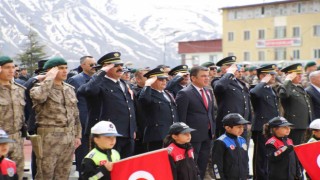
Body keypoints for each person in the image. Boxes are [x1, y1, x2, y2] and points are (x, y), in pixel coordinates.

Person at [30, 57, 82, 180]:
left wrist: (77, 135)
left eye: (65, 68)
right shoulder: (39, 88)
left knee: (63, 174)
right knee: (45, 175)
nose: (65, 71)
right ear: (50, 71)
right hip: (49, 139)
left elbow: (75, 114)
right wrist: (49, 78)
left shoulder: (69, 89)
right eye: (60, 68)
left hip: (68, 138)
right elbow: (39, 96)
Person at [80, 52, 136, 158]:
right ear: (105, 67)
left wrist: (133, 129)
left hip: (126, 134)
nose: (120, 68)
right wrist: (101, 72)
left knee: (125, 167)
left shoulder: (123, 83)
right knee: (108, 166)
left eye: (121, 65)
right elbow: (89, 90)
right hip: (107, 134)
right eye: (115, 65)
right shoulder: (98, 82)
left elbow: (130, 108)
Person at [176, 66, 215, 179]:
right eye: (203, 76)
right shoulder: (185, 93)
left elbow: (211, 114)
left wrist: (212, 129)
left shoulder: (208, 91)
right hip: (192, 136)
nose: (207, 78)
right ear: (193, 78)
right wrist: (183, 135)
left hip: (207, 135)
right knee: (192, 165)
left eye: (207, 76)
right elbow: (181, 117)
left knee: (203, 164)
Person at [66, 55, 97, 174]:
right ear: (83, 65)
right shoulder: (75, 80)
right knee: (83, 153)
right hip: (83, 122)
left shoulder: (97, 79)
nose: (94, 67)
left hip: (96, 120)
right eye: (91, 64)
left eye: (95, 64)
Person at [249, 64, 280, 180]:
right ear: (262, 75)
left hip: (271, 127)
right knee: (260, 156)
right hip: (260, 128)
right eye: (271, 75)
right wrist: (263, 81)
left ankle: (267, 175)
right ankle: (260, 177)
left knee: (269, 154)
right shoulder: (257, 88)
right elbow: (254, 92)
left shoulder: (269, 89)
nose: (273, 77)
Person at [139, 67, 179, 151]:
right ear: (151, 81)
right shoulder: (148, 93)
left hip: (171, 134)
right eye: (160, 79)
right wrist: (147, 85)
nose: (164, 81)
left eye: (165, 79)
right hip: (157, 135)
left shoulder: (167, 93)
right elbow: (144, 100)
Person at [0, 56, 26, 180]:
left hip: (16, 139)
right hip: (1, 140)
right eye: (7, 68)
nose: (11, 70)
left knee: (17, 175)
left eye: (13, 67)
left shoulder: (19, 90)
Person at [213, 56, 251, 138]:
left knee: (242, 148)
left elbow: (247, 102)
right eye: (230, 66)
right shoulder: (217, 81)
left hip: (242, 122)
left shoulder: (240, 82)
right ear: (223, 69)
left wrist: (249, 121)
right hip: (229, 124)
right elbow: (219, 87)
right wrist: (229, 73)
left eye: (234, 65)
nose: (234, 68)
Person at [23, 59, 48, 179]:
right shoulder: (34, 82)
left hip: (51, 126)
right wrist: (36, 79)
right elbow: (24, 90)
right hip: (37, 124)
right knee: (39, 156)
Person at [278, 63, 313, 145]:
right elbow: (283, 94)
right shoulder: (284, 87)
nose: (300, 76)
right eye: (297, 74)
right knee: (296, 149)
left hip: (305, 125)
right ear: (288, 75)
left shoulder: (298, 88)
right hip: (295, 126)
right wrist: (288, 80)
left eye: (300, 74)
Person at [211, 113, 250, 180]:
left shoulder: (242, 140)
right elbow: (216, 164)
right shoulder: (221, 142)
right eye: (238, 127)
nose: (241, 129)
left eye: (243, 127)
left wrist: (246, 175)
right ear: (228, 128)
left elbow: (246, 160)